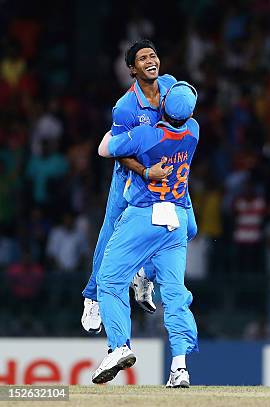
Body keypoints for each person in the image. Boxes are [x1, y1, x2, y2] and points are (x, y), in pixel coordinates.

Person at [81, 40, 198, 333]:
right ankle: (92, 298)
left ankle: (144, 273)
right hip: (134, 175)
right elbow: (118, 150)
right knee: (110, 231)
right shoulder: (125, 107)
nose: (150, 61)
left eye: (153, 55)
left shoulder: (171, 86)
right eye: (143, 58)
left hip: (169, 177)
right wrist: (146, 172)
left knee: (190, 228)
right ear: (132, 69)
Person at [92, 81, 199, 387]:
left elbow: (104, 149)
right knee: (176, 294)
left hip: (144, 215)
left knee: (109, 279)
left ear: (165, 106)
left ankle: (118, 346)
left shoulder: (145, 135)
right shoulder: (194, 131)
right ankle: (180, 367)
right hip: (176, 219)